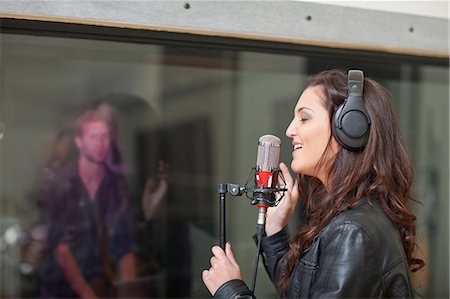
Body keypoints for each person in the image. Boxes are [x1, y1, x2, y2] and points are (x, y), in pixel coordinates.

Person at [202, 69, 424, 298]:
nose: (290, 130)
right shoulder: (351, 222)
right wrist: (275, 228)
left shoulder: (352, 232)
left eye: (304, 118)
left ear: (349, 127)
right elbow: (304, 292)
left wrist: (230, 291)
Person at [39, 103, 168, 298]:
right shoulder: (63, 185)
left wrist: (129, 289)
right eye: (93, 137)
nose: (100, 144)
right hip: (62, 290)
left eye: (105, 136)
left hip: (102, 285)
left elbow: (124, 242)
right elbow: (62, 250)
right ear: (80, 141)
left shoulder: (116, 185)